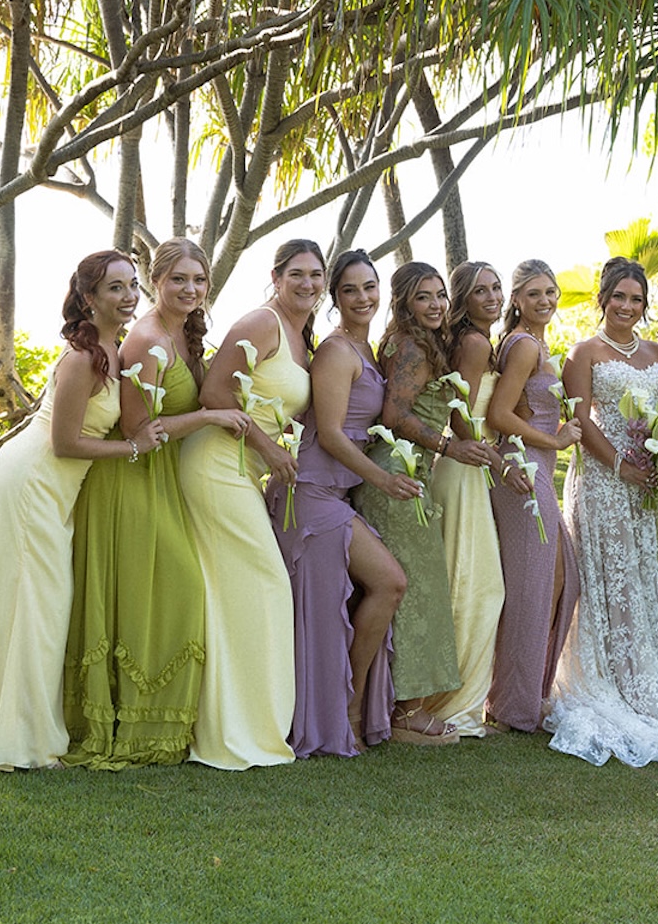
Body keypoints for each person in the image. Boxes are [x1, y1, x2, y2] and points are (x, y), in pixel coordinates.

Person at [0, 252, 167, 770]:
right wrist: (134, 450)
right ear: (89, 298)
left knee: (38, 607)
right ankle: (29, 746)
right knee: (38, 609)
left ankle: (7, 734)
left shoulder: (112, 346)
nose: (129, 296)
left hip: (52, 489)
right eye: (115, 288)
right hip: (31, 482)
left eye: (133, 285)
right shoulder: (83, 358)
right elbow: (65, 443)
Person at [64, 240, 234, 768]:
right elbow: (139, 428)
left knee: (165, 593)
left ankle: (162, 725)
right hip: (131, 481)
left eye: (199, 280)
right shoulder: (146, 339)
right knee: (175, 590)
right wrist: (208, 419)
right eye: (179, 279)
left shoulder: (183, 334)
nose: (190, 289)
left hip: (166, 481)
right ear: (156, 280)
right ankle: (131, 726)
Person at [546, 257, 658, 767]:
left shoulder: (654, 351)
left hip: (654, 483)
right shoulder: (584, 352)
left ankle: (656, 686)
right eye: (618, 296)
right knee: (614, 581)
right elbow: (581, 420)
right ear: (602, 298)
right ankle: (622, 688)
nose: (626, 306)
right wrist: (622, 466)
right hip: (604, 480)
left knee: (649, 580)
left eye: (636, 299)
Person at [179, 237, 323, 768]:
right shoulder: (261, 323)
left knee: (235, 593)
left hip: (248, 470)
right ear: (276, 277)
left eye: (315, 275)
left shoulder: (301, 336)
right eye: (297, 275)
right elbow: (215, 395)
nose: (307, 284)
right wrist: (269, 449)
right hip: (216, 464)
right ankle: (238, 732)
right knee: (265, 584)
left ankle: (236, 720)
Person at [266, 250, 407, 757]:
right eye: (350, 290)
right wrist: (383, 481)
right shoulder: (336, 352)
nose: (363, 297)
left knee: (374, 591)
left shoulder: (367, 350)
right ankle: (342, 711)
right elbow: (327, 434)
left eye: (370, 287)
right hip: (310, 496)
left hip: (337, 495)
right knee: (388, 583)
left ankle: (349, 707)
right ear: (335, 297)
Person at [358, 262, 487, 744]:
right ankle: (405, 710)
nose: (435, 305)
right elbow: (394, 414)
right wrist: (450, 447)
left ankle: (390, 702)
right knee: (414, 590)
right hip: (398, 473)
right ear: (404, 303)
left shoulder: (415, 340)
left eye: (439, 296)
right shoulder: (410, 345)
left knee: (415, 585)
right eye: (423, 297)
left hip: (408, 472)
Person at [486, 259, 581, 732]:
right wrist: (557, 440)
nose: (546, 301)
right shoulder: (522, 346)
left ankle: (527, 692)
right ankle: (510, 706)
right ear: (517, 300)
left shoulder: (539, 344)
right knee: (532, 584)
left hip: (537, 462)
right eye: (535, 293)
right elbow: (499, 415)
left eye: (551, 292)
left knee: (562, 579)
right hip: (521, 465)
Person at [429, 261, 509, 738]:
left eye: (497, 288)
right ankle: (453, 704)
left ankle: (456, 698)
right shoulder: (475, 344)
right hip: (463, 471)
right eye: (481, 291)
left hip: (465, 469)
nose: (493, 297)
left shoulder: (472, 339)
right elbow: (460, 417)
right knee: (474, 587)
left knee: (472, 584)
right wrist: (497, 460)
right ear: (464, 297)